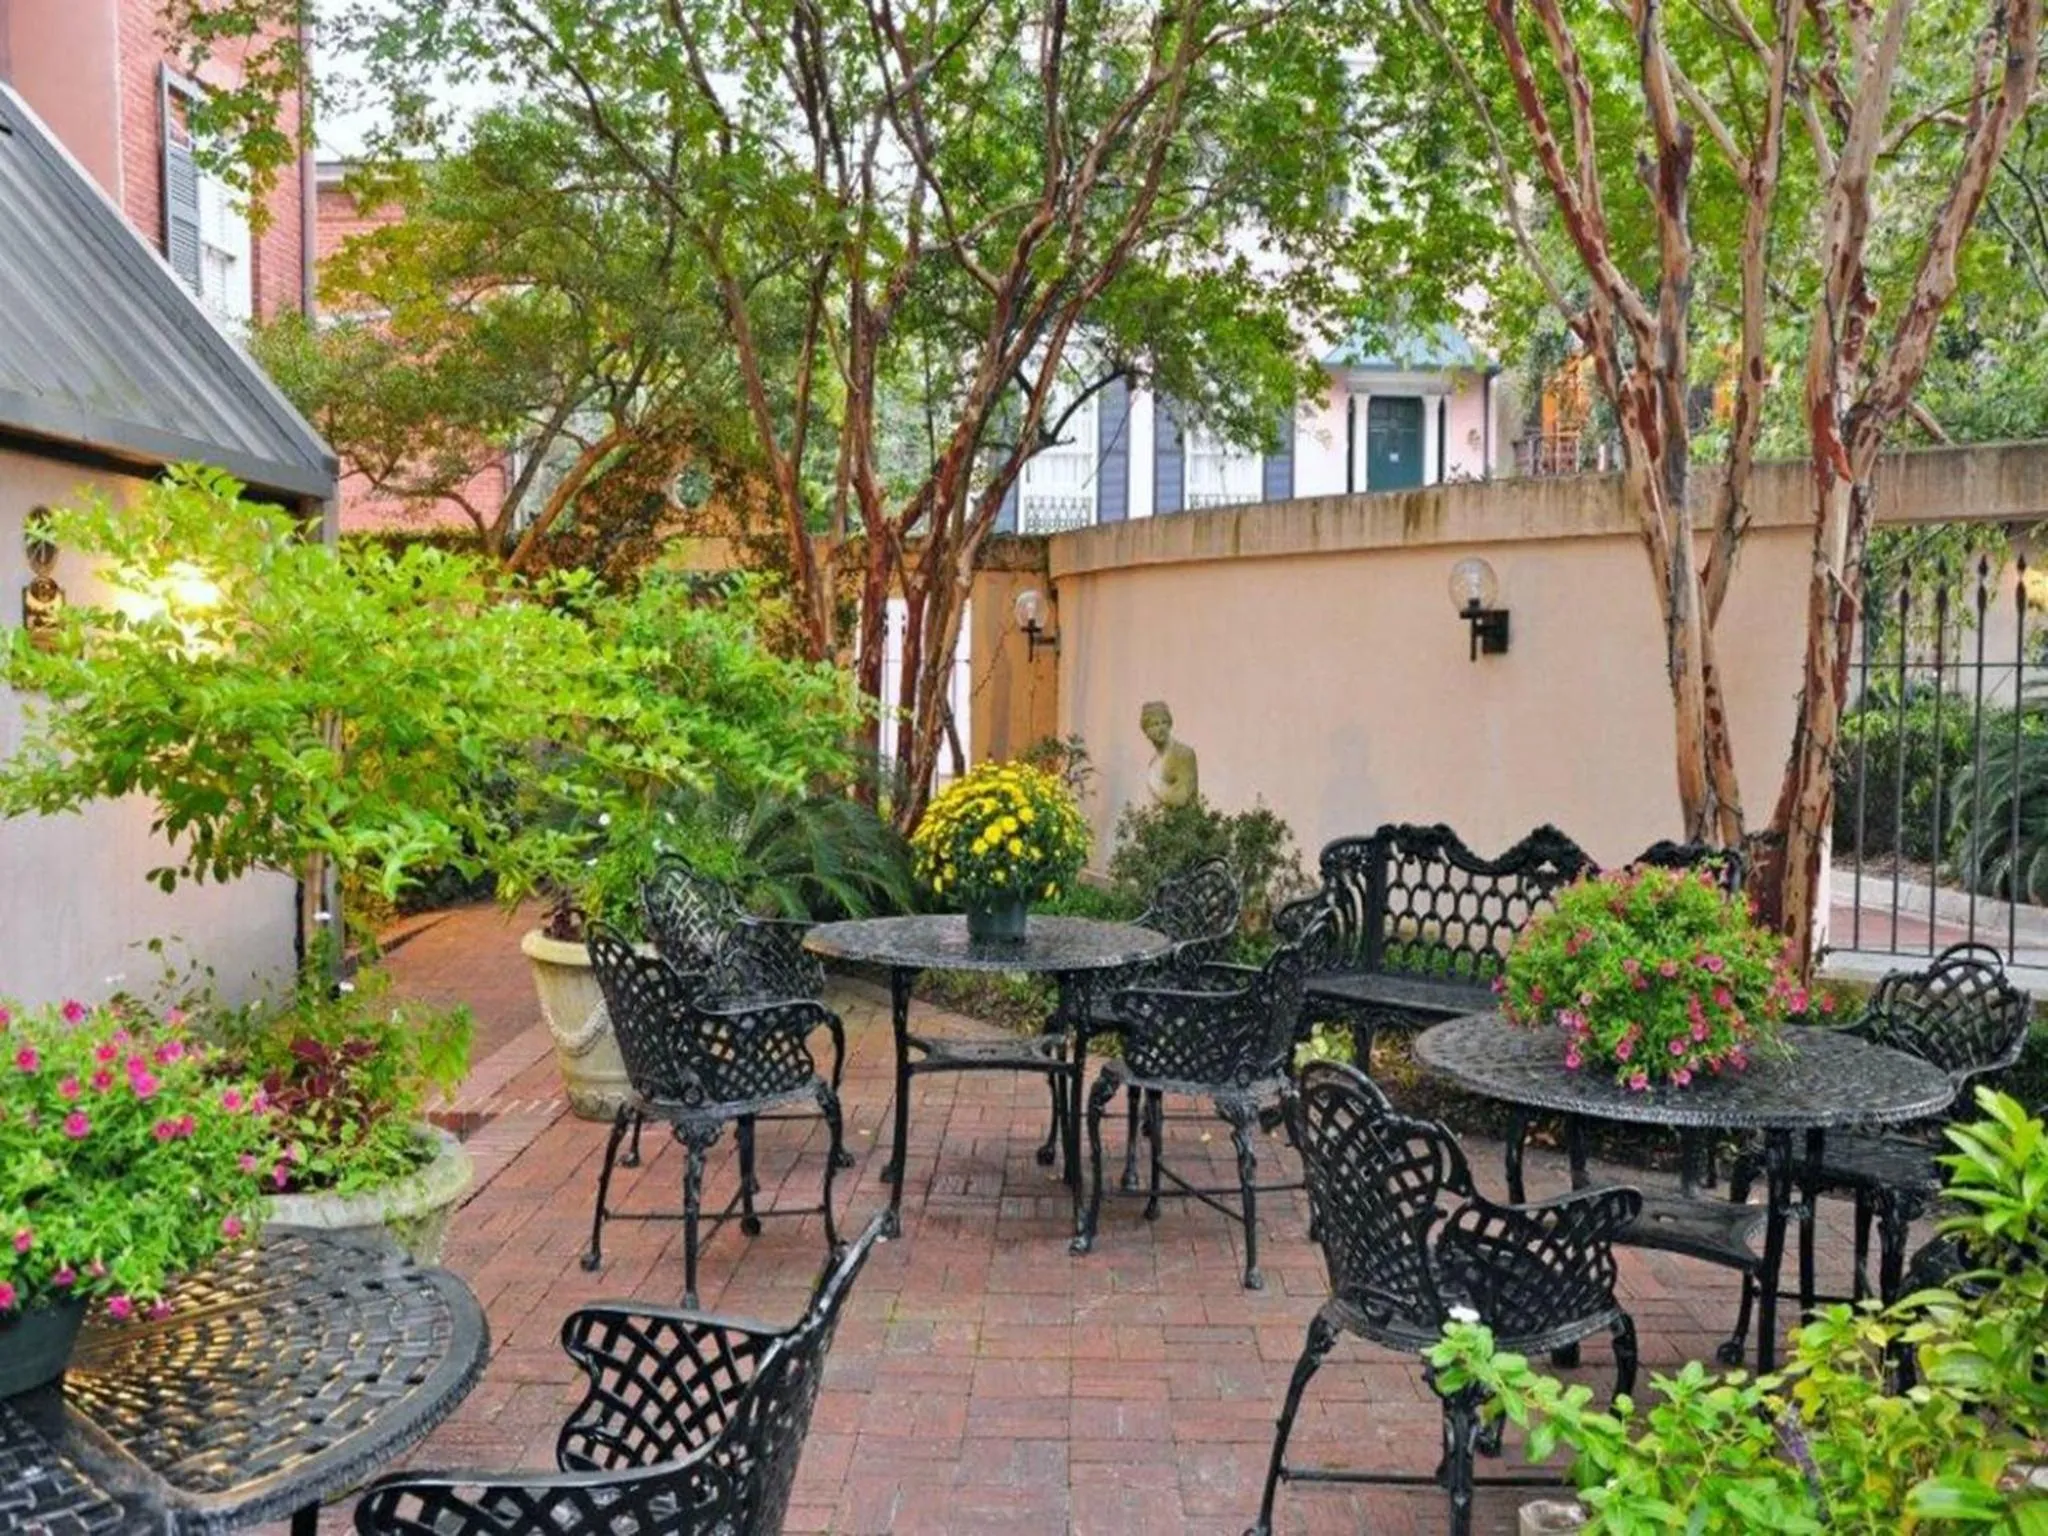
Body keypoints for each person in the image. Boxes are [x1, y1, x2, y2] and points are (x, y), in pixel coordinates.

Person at [1139, 700, 1198, 808]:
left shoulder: (1183, 754)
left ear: (1170, 725)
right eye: (1154, 724)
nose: (1161, 728)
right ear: (1146, 731)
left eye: (1164, 722)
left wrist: (1156, 784)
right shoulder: (1154, 762)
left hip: (1184, 818)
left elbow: (1181, 798)